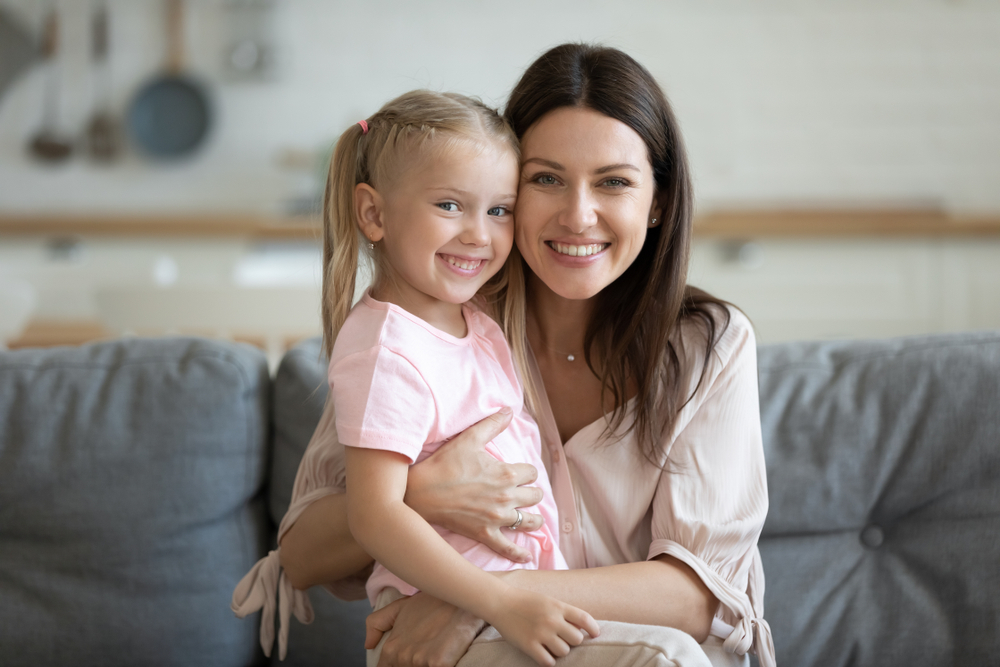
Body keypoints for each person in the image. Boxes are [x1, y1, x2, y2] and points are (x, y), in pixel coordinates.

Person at [248, 43, 775, 667]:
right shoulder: (435, 329)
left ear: (657, 201)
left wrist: (479, 600)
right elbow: (303, 554)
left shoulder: (707, 345)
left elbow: (698, 597)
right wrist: (422, 495)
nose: (579, 216)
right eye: (545, 179)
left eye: (614, 183)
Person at [233, 89, 600, 666]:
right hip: (453, 627)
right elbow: (374, 515)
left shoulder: (476, 323)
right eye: (450, 205)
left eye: (499, 210)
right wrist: (502, 602)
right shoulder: (387, 351)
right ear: (374, 214)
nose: (480, 233)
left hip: (505, 610)